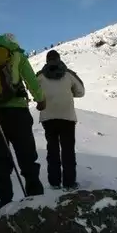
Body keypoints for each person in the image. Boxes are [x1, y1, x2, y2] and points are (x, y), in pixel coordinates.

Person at [0, 33, 46, 210]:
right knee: (26, 154)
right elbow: (31, 80)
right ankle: (35, 198)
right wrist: (40, 99)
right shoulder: (17, 56)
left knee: (0, 157)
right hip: (17, 112)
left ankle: (4, 203)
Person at [36, 49, 85, 189]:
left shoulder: (39, 76)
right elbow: (81, 91)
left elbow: (32, 88)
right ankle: (69, 183)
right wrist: (68, 93)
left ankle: (54, 182)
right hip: (67, 117)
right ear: (59, 59)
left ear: (46, 60)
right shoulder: (68, 74)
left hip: (48, 117)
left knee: (52, 150)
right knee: (68, 150)